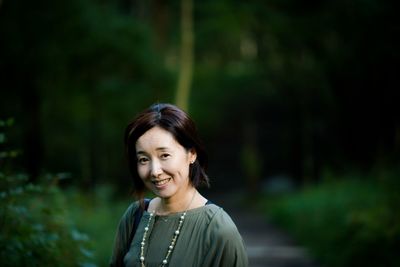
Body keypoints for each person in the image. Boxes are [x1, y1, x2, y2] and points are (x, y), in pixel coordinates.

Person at [110, 103, 248, 267]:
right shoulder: (135, 217)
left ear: (192, 154)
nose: (155, 171)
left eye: (165, 155)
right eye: (144, 159)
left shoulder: (219, 230)